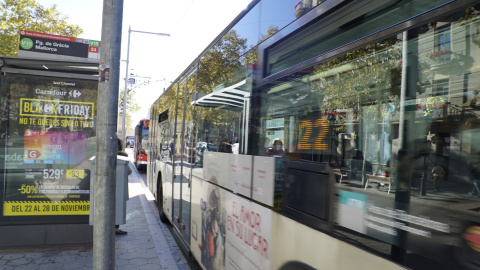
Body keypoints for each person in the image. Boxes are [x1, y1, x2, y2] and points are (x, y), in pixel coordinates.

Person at [116, 138, 131, 235]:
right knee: (118, 208)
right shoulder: (121, 157)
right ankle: (116, 228)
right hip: (119, 189)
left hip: (113, 189)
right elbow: (129, 171)